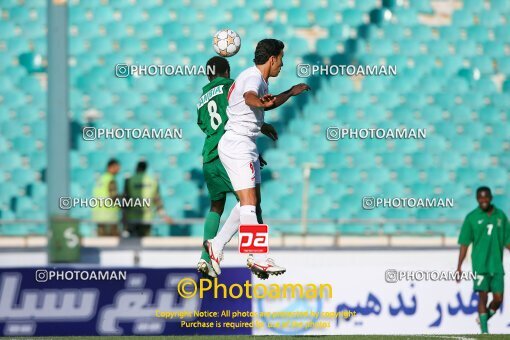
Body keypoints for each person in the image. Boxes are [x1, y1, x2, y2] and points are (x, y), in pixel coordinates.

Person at [204, 39, 310, 278]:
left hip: (246, 144)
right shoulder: (252, 78)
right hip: (237, 144)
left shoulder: (257, 78)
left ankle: (216, 244)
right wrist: (259, 102)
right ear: (272, 59)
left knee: (250, 204)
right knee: (249, 203)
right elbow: (250, 97)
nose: (282, 65)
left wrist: (289, 93)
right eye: (281, 59)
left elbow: (262, 104)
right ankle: (258, 257)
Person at [196, 56, 275, 279]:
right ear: (227, 70)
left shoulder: (201, 99)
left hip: (208, 156)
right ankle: (255, 255)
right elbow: (235, 114)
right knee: (250, 201)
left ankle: (205, 258)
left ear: (208, 74)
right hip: (229, 150)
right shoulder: (229, 87)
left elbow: (205, 125)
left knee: (216, 206)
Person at [456, 186, 510, 334]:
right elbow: (464, 243)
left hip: (496, 265)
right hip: (480, 265)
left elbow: (507, 241)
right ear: (477, 199)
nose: (483, 200)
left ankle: (483, 318)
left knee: (498, 299)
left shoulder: (501, 216)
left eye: (486, 197)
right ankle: (485, 332)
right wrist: (459, 266)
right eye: (480, 197)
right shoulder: (472, 217)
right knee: (483, 296)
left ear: (491, 198)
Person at [124, 161, 172, 237]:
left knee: (132, 242)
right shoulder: (153, 181)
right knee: (145, 240)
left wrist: (124, 217)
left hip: (132, 217)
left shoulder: (129, 181)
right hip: (147, 217)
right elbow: (157, 200)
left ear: (137, 168)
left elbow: (125, 200)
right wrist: (164, 216)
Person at [92, 158, 121, 236]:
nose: (118, 169)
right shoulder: (110, 180)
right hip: (109, 215)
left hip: (98, 214)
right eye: (117, 167)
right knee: (112, 241)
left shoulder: (101, 179)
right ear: (110, 167)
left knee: (101, 240)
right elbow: (113, 196)